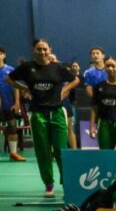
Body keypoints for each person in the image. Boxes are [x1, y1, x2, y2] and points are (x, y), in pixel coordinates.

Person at [10, 38, 79, 198]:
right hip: (38, 114)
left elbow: (75, 80)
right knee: (43, 150)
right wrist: (24, 88)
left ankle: (66, 183)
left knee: (61, 150)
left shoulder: (58, 67)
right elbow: (9, 79)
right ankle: (48, 184)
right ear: (33, 50)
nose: (42, 52)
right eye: (39, 49)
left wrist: (64, 91)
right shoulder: (27, 67)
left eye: (45, 49)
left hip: (57, 113)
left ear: (50, 49)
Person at [0, 45, 26, 162]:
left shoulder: (11, 69)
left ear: (4, 56)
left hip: (9, 105)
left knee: (13, 128)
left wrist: (17, 102)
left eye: (0, 53)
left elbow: (16, 87)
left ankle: (13, 153)